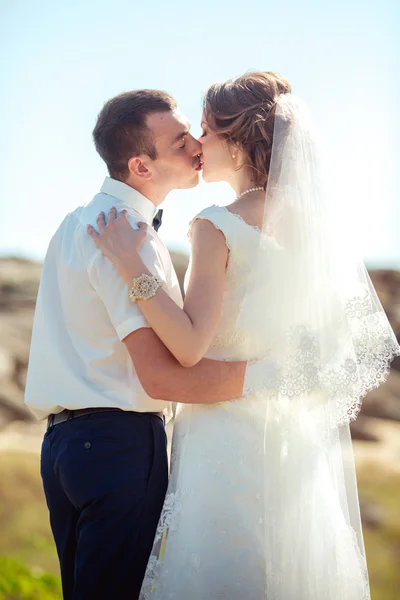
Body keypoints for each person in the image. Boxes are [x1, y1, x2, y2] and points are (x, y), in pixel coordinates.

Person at [89, 72, 400, 599]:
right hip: (294, 446)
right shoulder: (315, 230)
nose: (197, 145)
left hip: (224, 437)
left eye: (207, 130)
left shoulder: (217, 225)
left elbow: (188, 347)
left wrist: (130, 268)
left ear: (237, 142)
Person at [24, 89, 265, 600]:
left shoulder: (74, 222)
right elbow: (164, 374)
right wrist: (272, 377)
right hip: (119, 446)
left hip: (61, 451)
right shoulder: (126, 235)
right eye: (180, 141)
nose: (196, 145)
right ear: (141, 164)